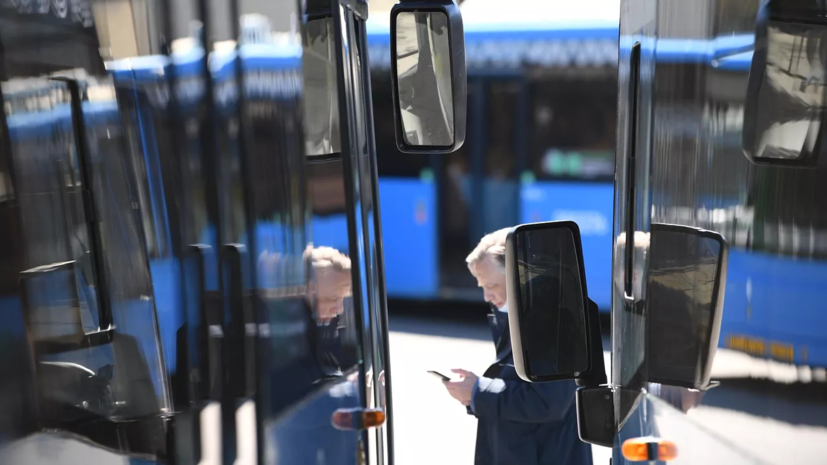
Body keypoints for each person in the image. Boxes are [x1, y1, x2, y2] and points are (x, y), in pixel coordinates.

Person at [442, 228, 592, 465]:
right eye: (481, 287)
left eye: (491, 285)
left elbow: (548, 403)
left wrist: (478, 391)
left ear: (518, 275)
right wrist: (475, 394)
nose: (486, 296)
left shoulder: (547, 320)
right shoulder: (522, 311)